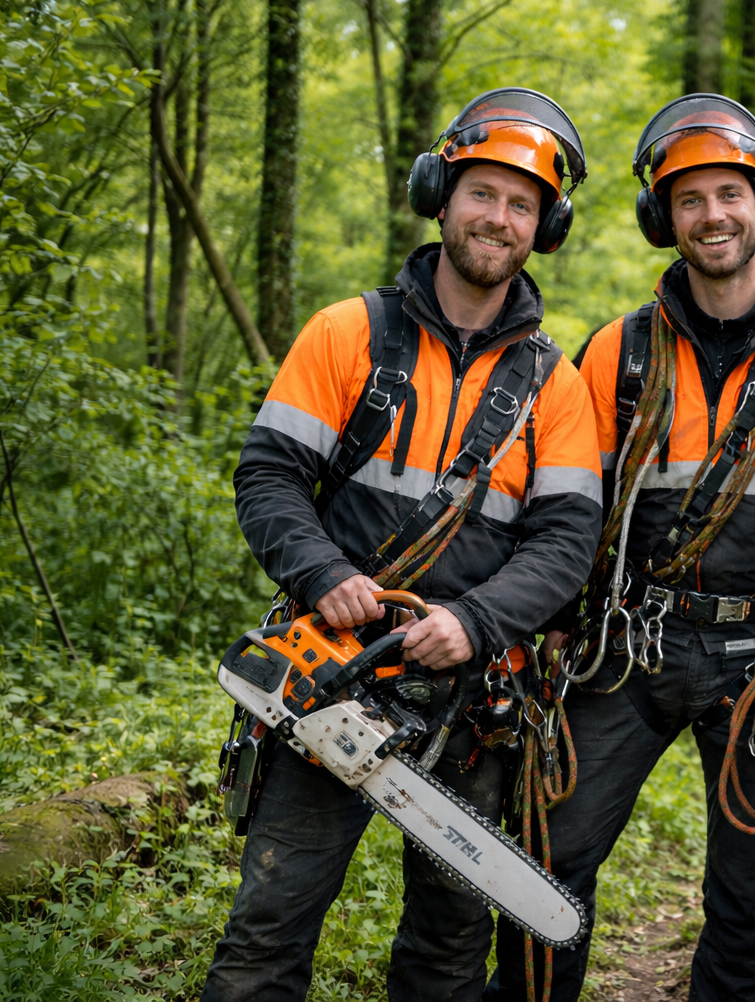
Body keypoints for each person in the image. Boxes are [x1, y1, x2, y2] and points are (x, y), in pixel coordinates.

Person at [201, 88, 602, 1002]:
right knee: (269, 926)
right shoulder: (349, 332)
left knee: (449, 948)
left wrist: (476, 620)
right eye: (482, 194)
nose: (498, 217)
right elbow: (267, 476)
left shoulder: (558, 387)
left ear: (545, 226)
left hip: (472, 698)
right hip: (335, 673)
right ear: (441, 194)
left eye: (521, 203)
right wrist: (324, 573)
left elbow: (567, 540)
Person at [487, 94, 755, 1002]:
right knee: (545, 862)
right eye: (689, 198)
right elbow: (567, 514)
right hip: (629, 648)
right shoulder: (614, 352)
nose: (713, 216)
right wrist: (550, 630)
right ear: (664, 216)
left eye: (729, 194)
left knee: (749, 903)